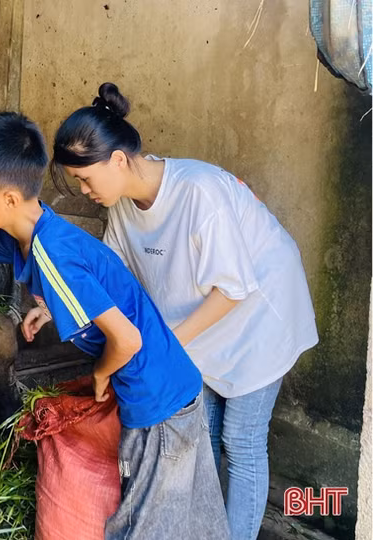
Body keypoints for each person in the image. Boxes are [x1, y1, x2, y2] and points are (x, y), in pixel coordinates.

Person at [0, 112, 229, 539]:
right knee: (192, 516)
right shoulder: (21, 231)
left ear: (9, 198)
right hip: (170, 381)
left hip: (155, 398)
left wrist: (101, 374)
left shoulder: (54, 255)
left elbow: (127, 339)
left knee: (143, 524)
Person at [50, 82, 319, 540]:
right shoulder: (122, 208)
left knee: (241, 439)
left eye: (85, 177)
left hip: (259, 316)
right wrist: (54, 306)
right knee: (201, 432)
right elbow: (113, 280)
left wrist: (167, 342)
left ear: (118, 160)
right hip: (197, 324)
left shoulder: (199, 192)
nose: (83, 189)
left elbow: (234, 289)